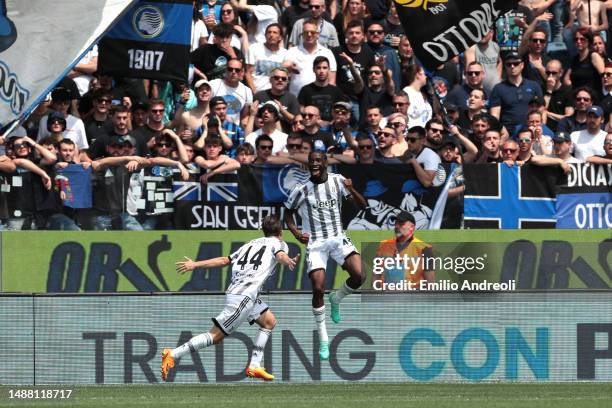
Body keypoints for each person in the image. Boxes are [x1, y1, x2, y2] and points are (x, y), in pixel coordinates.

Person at [161, 215, 298, 382]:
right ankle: (173, 354)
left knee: (269, 322)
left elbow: (224, 260)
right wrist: (288, 260)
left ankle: (255, 365)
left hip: (244, 294)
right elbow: (280, 255)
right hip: (243, 297)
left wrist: (195, 264)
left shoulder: (250, 244)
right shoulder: (279, 244)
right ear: (280, 231)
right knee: (215, 336)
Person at [283, 151, 366, 360]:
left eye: (318, 161)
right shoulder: (301, 190)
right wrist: (295, 233)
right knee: (318, 288)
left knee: (359, 276)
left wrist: (351, 188)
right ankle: (324, 339)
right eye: (311, 162)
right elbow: (287, 214)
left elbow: (363, 205)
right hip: (316, 243)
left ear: (326, 163)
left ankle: (336, 298)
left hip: (338, 239)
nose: (314, 165)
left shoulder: (338, 181)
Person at [374, 211, 435, 291]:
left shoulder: (424, 249)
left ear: (412, 227)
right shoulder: (383, 246)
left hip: (411, 299)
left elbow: (430, 285)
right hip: (386, 299)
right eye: (395, 223)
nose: (396, 226)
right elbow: (375, 278)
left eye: (401, 224)